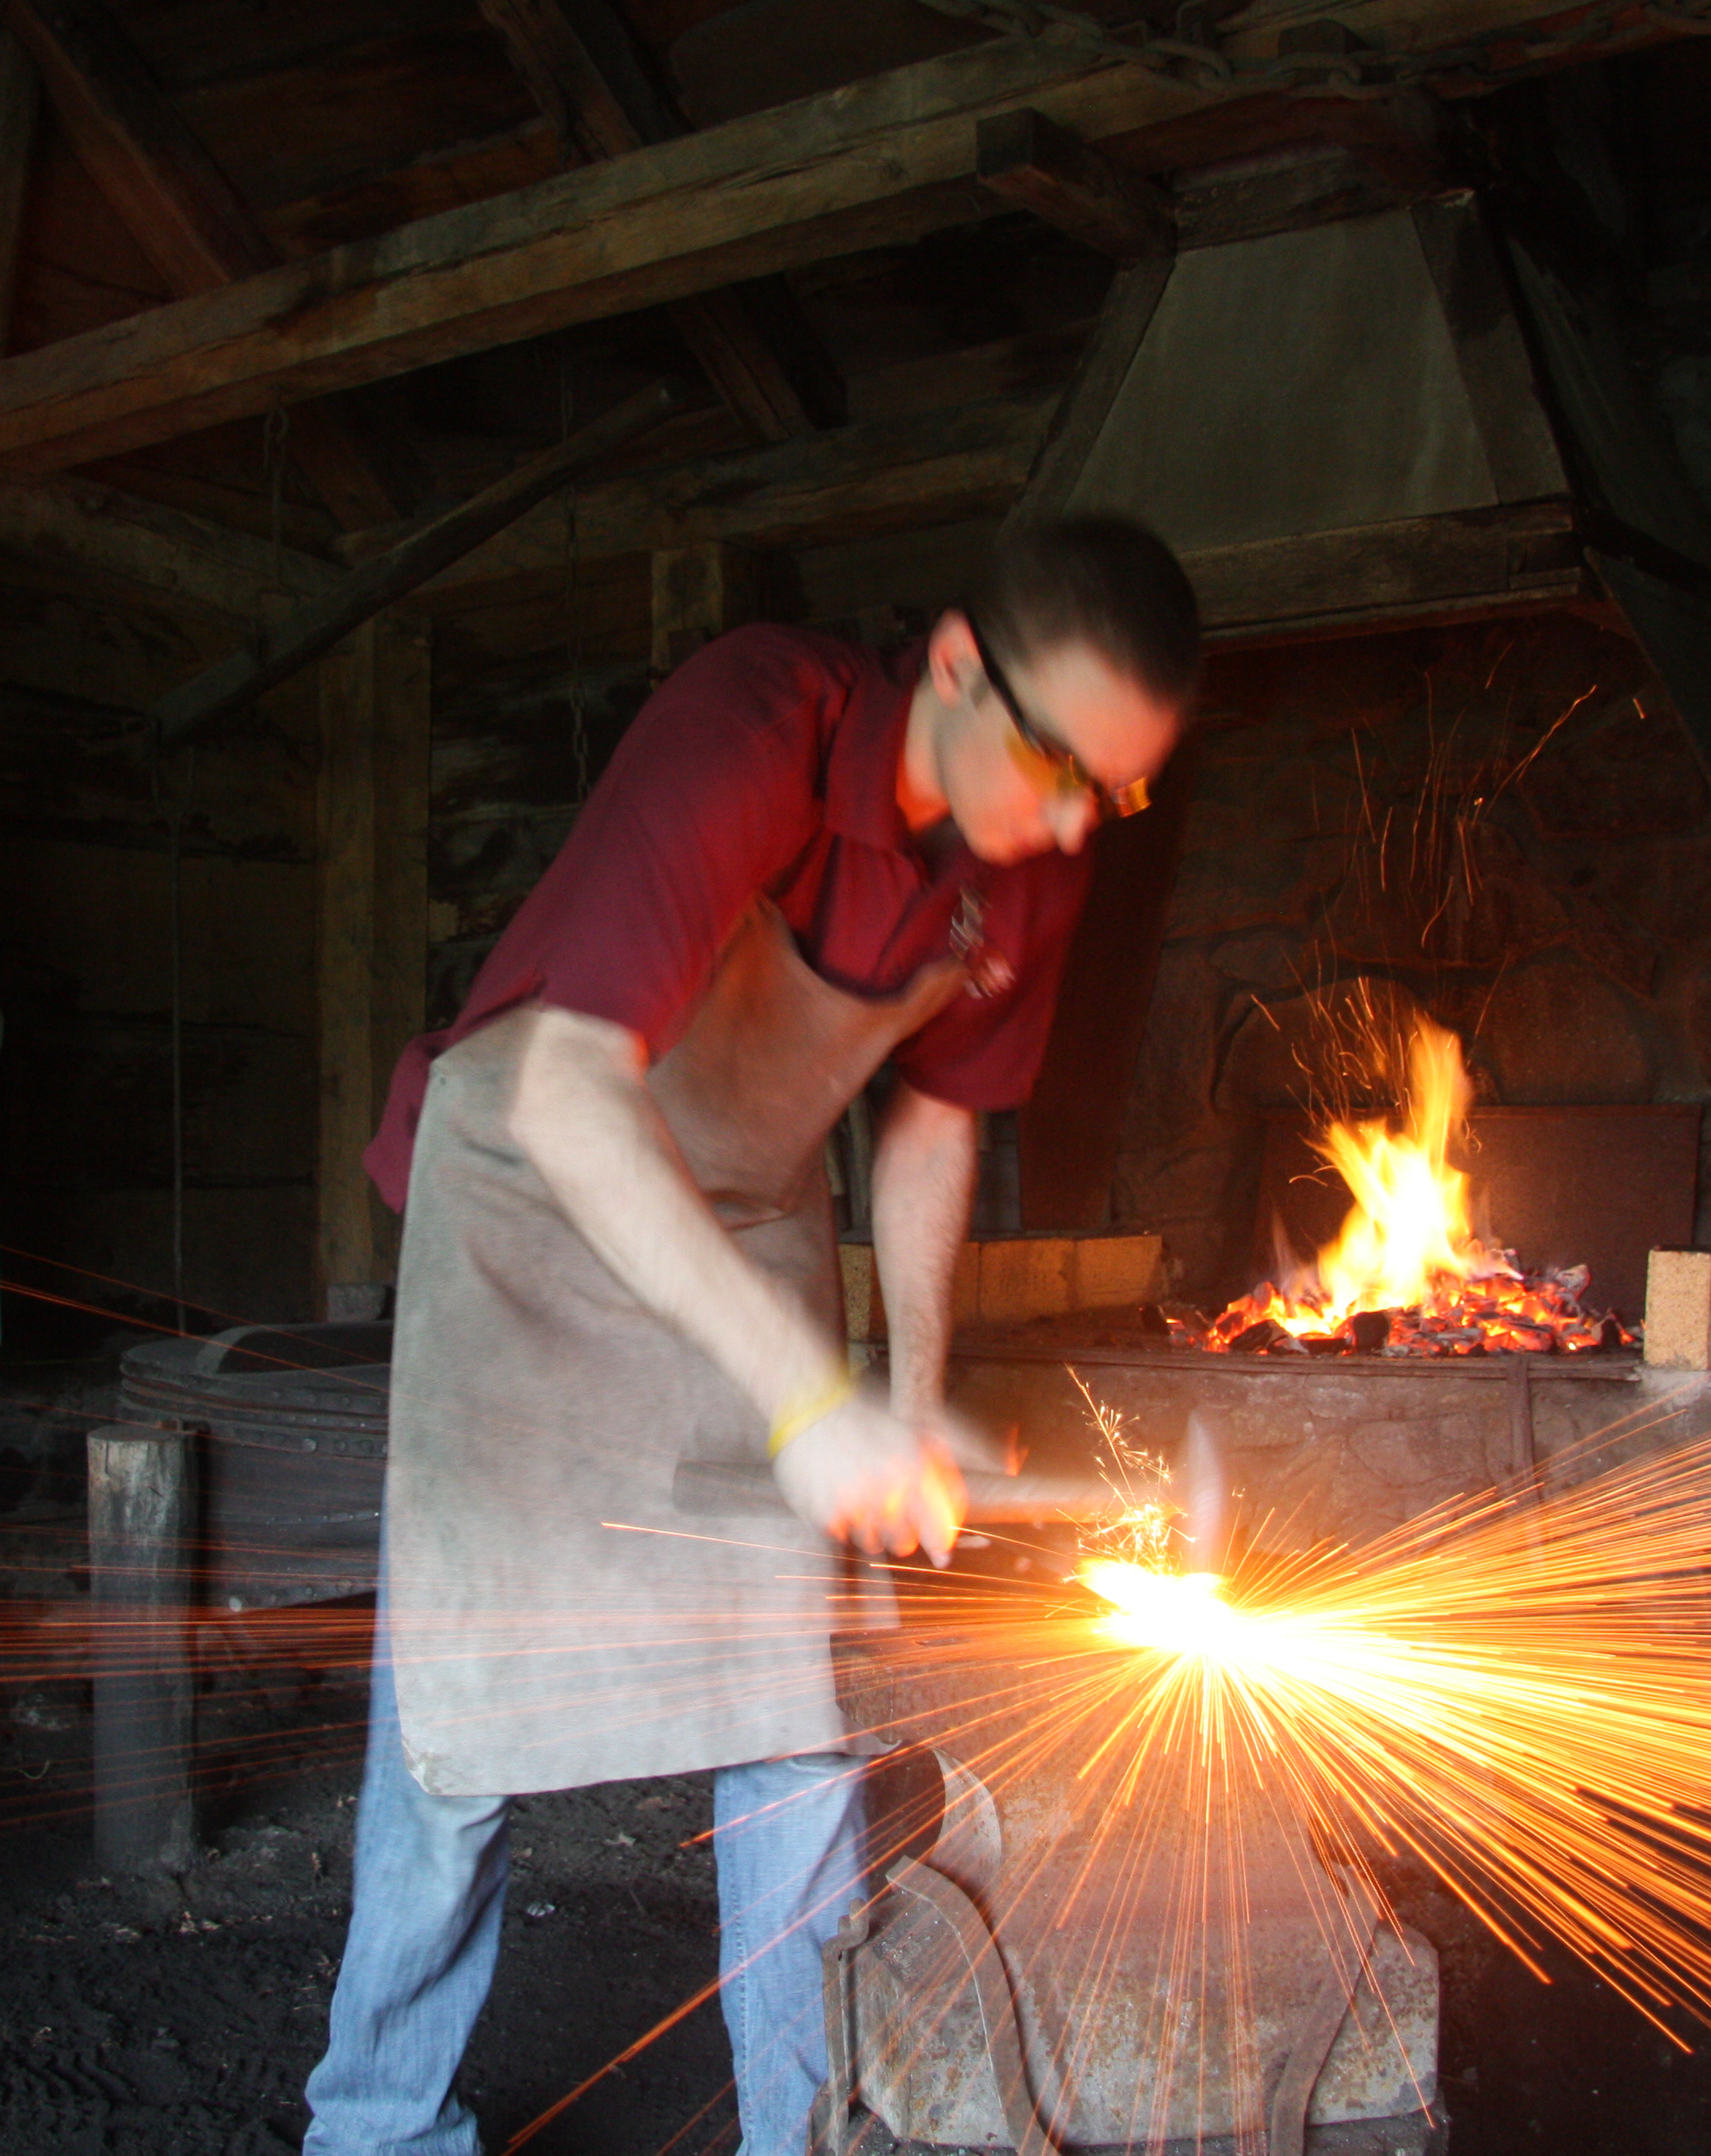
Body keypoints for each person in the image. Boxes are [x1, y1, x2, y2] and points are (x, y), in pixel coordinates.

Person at [303, 516, 1201, 2156]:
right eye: (1061, 761)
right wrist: (811, 1402)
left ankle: (806, 2126)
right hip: (535, 1188)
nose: (1076, 819)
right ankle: (374, 2125)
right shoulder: (754, 720)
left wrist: (908, 1403)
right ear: (951, 667)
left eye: (1115, 788)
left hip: (753, 1208)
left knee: (799, 1697)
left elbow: (933, 1127)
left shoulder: (1038, 862)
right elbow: (579, 1089)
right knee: (462, 1702)